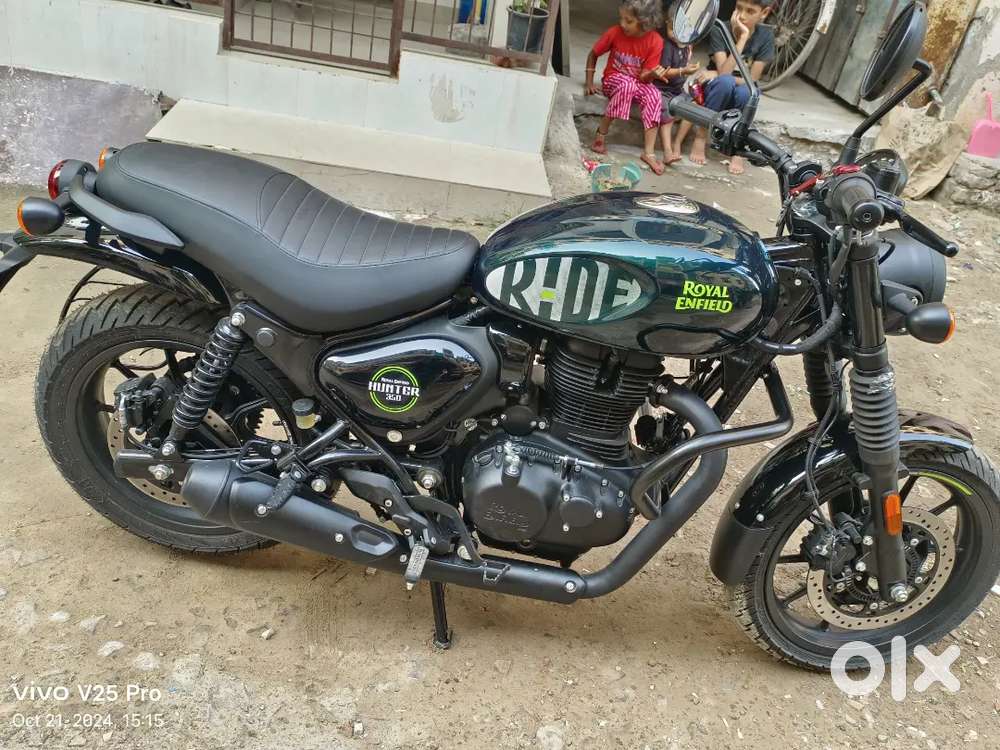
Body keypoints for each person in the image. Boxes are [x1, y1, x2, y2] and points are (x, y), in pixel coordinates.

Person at [675, 0, 774, 175]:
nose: (742, 16)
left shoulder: (766, 36)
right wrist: (742, 39)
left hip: (738, 89)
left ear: (764, 13)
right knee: (725, 83)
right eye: (739, 8)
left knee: (748, 92)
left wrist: (717, 73)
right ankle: (701, 135)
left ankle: (737, 147)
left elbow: (752, 79)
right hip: (717, 90)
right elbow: (725, 74)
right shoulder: (720, 29)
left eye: (750, 11)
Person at [584, 0, 667, 175]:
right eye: (621, 18)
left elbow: (644, 77)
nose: (622, 24)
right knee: (627, 85)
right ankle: (601, 133)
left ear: (644, 22)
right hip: (613, 81)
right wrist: (589, 82)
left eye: (629, 21)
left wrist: (652, 74)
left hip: (639, 82)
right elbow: (593, 54)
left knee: (654, 94)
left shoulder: (656, 41)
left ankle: (649, 153)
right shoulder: (614, 32)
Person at [654, 12, 700, 166]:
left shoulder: (686, 46)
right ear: (667, 24)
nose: (676, 35)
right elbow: (663, 72)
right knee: (666, 112)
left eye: (682, 30)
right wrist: (683, 71)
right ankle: (667, 151)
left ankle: (677, 142)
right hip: (662, 89)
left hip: (678, 90)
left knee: (694, 106)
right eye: (672, 30)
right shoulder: (667, 46)